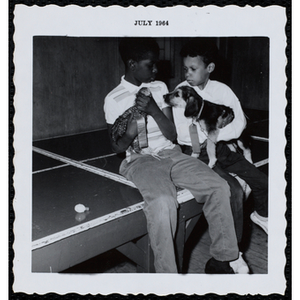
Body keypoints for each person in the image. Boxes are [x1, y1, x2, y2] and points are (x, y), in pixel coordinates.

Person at [104, 37, 248, 274]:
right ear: (132, 64)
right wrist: (130, 132)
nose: (156, 70)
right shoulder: (114, 98)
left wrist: (153, 108)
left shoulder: (160, 88)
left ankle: (225, 258)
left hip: (172, 152)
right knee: (163, 203)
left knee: (219, 186)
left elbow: (171, 133)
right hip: (141, 160)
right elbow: (116, 147)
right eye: (150, 65)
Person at [172, 38, 268, 235]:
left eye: (193, 69)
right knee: (234, 191)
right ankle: (233, 253)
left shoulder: (223, 91)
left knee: (261, 180)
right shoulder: (181, 93)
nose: (187, 74)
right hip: (197, 153)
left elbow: (239, 123)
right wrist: (214, 129)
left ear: (210, 67)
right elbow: (182, 134)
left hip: (222, 149)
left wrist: (215, 134)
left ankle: (262, 215)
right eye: (185, 69)